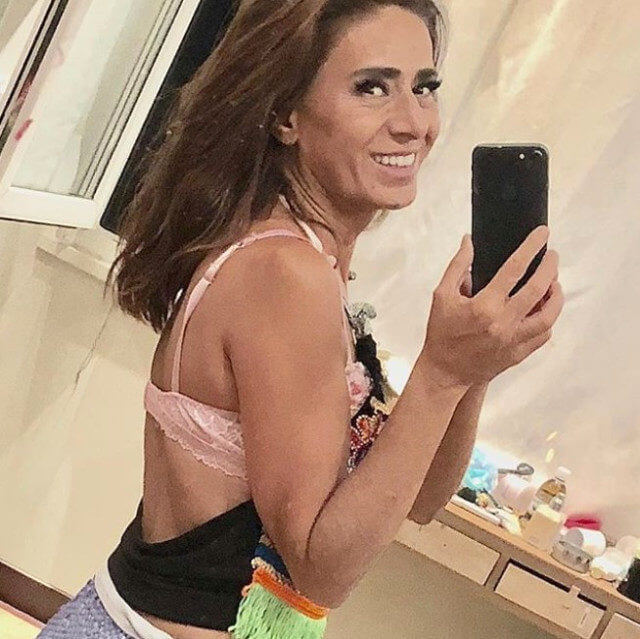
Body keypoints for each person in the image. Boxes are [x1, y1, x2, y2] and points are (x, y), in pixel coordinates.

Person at [37, 0, 563, 638]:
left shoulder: (309, 262)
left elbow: (421, 499)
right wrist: (442, 372)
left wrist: (475, 364)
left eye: (424, 88)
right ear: (286, 115)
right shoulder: (285, 273)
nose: (413, 124)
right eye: (372, 88)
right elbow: (319, 568)